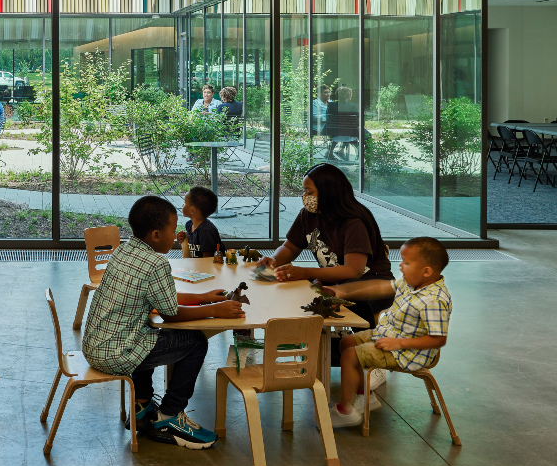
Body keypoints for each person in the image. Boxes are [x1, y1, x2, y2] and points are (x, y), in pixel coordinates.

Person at [82, 195, 245, 450]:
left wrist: (202, 297)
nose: (176, 235)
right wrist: (215, 310)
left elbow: (160, 296)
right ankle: (169, 415)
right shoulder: (156, 262)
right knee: (196, 342)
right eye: (172, 229)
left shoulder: (125, 249)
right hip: (117, 353)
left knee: (147, 331)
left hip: (96, 346)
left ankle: (142, 404)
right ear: (156, 235)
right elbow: (170, 313)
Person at [321, 237, 451, 428]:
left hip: (408, 352)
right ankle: (364, 396)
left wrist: (398, 343)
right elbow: (380, 287)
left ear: (426, 271)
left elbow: (437, 339)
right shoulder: (410, 283)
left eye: (406, 263)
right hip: (391, 335)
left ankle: (345, 410)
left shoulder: (434, 300)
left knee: (350, 356)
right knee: (346, 342)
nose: (400, 265)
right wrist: (340, 291)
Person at [255, 163, 394, 326]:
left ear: (328, 193)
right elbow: (290, 247)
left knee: (335, 299)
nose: (304, 196)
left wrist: (305, 272)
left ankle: (357, 339)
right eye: (304, 191)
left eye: (309, 192)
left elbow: (353, 270)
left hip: (370, 286)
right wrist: (274, 260)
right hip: (337, 282)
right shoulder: (308, 215)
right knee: (297, 291)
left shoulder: (354, 222)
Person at [175, 186, 225, 258]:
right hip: (197, 263)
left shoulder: (206, 231)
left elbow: (208, 260)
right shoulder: (189, 225)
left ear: (192, 210)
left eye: (185, 203)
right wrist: (182, 241)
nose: (183, 205)